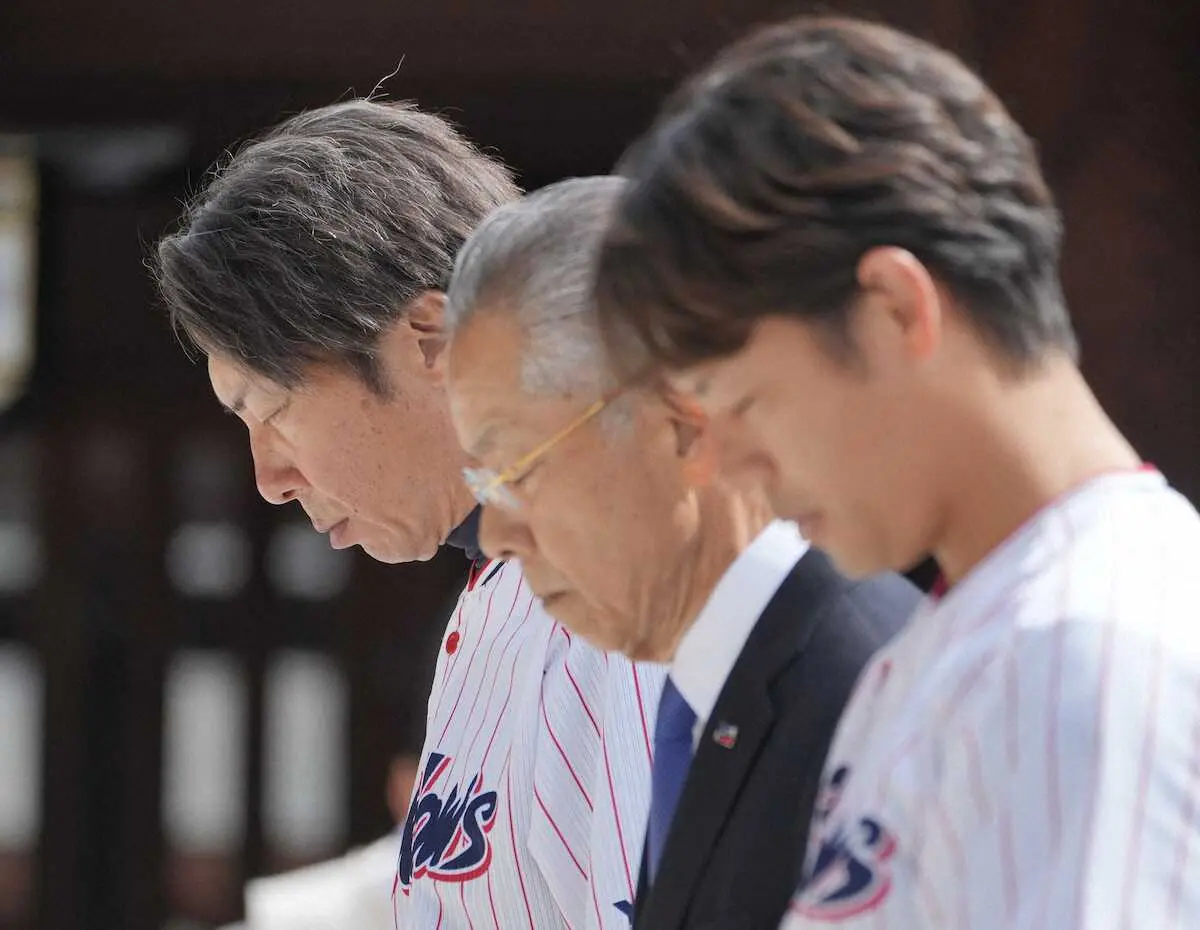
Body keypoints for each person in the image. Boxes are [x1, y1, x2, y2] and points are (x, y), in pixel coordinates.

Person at [590, 15, 1200, 930]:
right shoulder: (973, 635)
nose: (726, 463)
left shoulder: (1087, 652)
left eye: (745, 401)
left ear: (894, 309)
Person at [154, 100, 664, 930]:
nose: (270, 479)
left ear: (428, 338)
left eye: (274, 409)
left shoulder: (628, 591)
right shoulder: (500, 593)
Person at [442, 175, 918, 930]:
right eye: (482, 481)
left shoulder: (873, 695)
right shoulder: (703, 692)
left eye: (516, 471)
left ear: (683, 423)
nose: (496, 534)